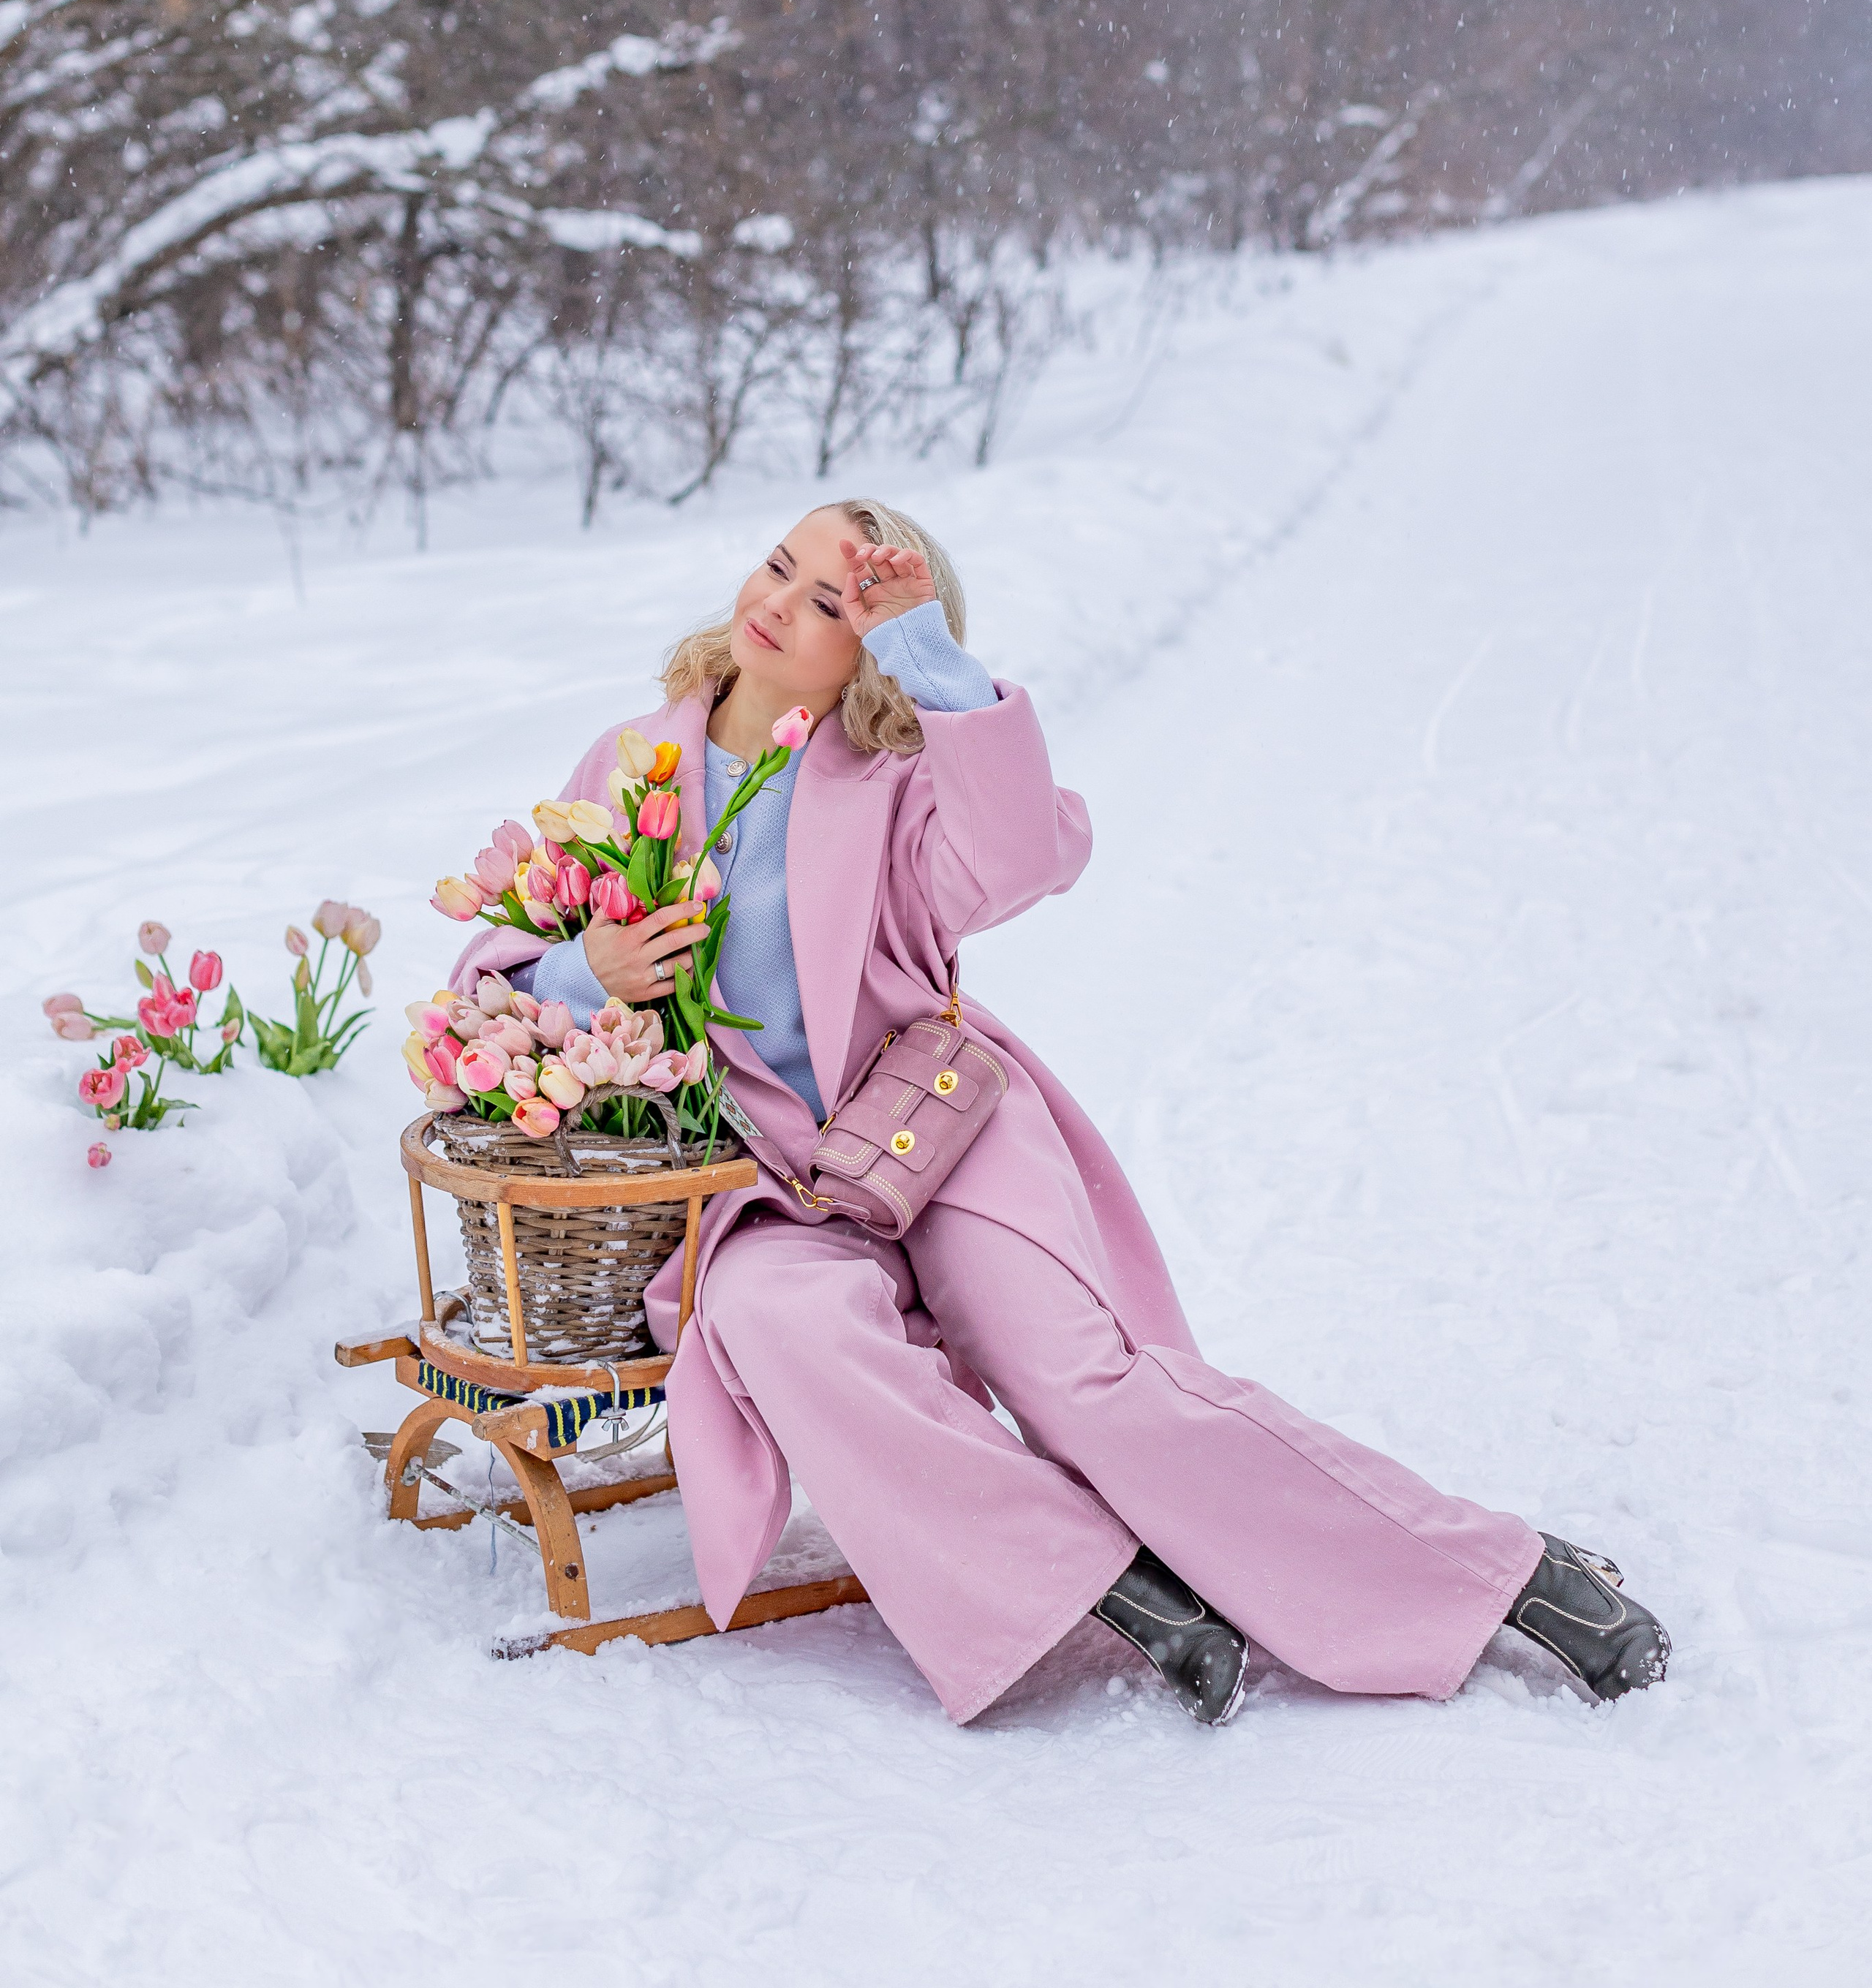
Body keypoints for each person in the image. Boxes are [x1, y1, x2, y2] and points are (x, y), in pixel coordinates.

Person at [457, 496, 1669, 1728]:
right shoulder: (628, 766)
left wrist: (930, 654)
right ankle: (1108, 1582)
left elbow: (1021, 854)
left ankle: (1505, 1579)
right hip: (765, 1186)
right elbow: (489, 978)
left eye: (832, 603)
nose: (778, 604)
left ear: (872, 646)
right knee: (777, 1318)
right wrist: (585, 972)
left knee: (1086, 1380)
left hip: (935, 1134)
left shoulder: (896, 781)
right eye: (779, 568)